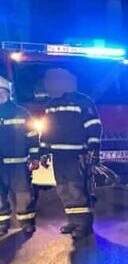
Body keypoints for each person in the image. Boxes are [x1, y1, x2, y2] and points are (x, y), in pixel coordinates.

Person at [39, 68, 102, 240]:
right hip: (58, 154)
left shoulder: (83, 101)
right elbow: (47, 129)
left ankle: (83, 224)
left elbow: (93, 125)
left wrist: (93, 148)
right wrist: (43, 151)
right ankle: (73, 221)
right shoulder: (51, 104)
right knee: (63, 189)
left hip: (76, 153)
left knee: (76, 189)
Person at [0, 76, 39, 236]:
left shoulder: (21, 112)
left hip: (18, 162)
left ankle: (27, 222)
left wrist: (35, 156)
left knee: (23, 193)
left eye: (2, 91)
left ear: (8, 93)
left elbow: (33, 135)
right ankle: (2, 224)